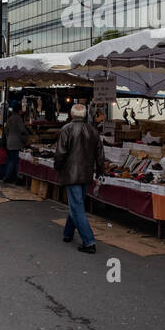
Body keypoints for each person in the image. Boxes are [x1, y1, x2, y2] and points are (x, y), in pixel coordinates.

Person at [54, 102, 104, 253]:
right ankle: (68, 233)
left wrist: (57, 167)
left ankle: (89, 242)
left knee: (77, 206)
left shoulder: (67, 129)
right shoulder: (93, 130)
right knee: (77, 204)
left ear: (71, 114)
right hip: (86, 173)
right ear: (84, 115)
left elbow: (60, 152)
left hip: (72, 173)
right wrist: (100, 170)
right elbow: (100, 154)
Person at [2, 101, 29, 186]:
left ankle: (8, 177)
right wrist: (26, 135)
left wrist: (8, 137)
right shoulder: (18, 118)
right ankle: (16, 178)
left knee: (10, 160)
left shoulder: (10, 118)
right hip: (16, 143)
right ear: (19, 110)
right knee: (16, 161)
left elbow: (6, 130)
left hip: (9, 142)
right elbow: (22, 130)